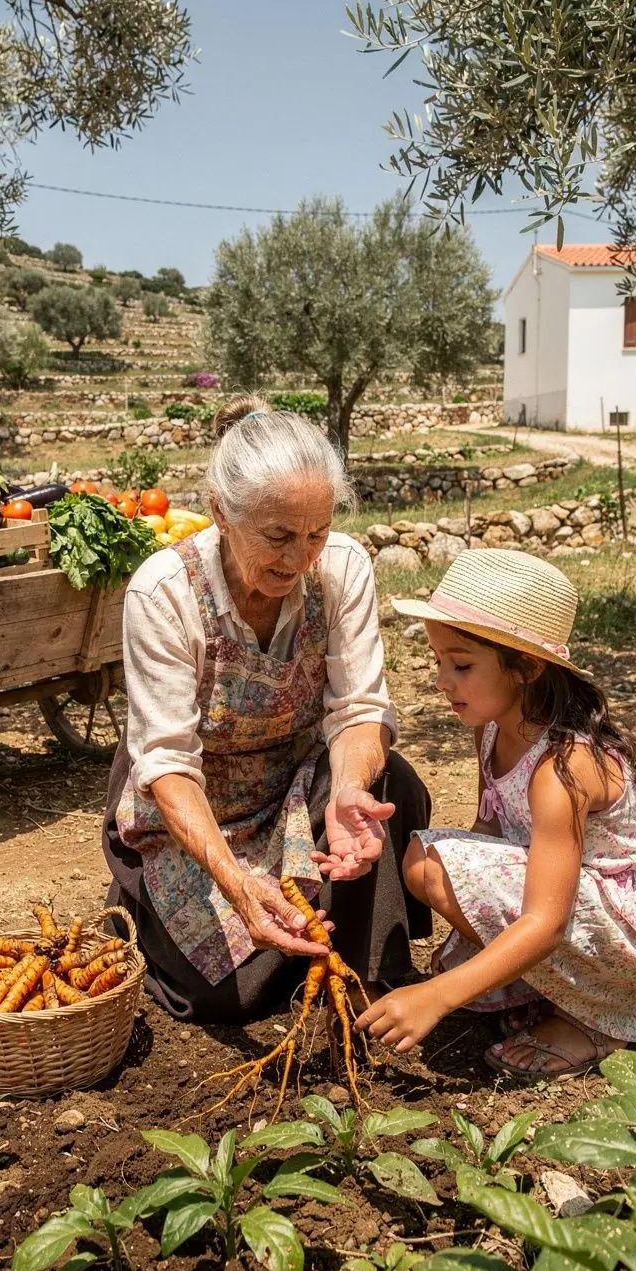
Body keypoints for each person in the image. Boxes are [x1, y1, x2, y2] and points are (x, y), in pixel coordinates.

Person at [102, 394, 431, 1021]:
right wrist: (233, 881)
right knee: (224, 996)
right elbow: (167, 761)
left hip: (294, 785)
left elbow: (359, 709)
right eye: (278, 536)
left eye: (316, 534)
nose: (299, 558)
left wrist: (347, 791)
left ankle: (368, 974)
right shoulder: (164, 591)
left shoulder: (342, 568)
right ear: (222, 512)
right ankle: (145, 909)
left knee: (392, 787)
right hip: (195, 807)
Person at [356, 547, 636, 1078]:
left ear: (526, 666)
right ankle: (546, 985)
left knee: (437, 867)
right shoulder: (493, 729)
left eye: (461, 665)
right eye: (438, 662)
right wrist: (471, 946)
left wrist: (438, 995)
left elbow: (544, 923)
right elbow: (489, 833)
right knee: (426, 860)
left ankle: (599, 1019)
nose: (441, 681)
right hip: (577, 896)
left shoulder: (563, 768)